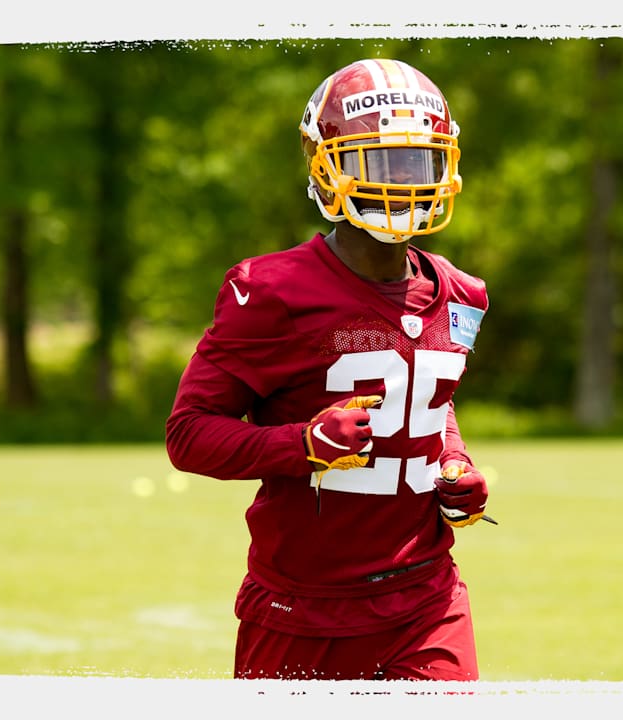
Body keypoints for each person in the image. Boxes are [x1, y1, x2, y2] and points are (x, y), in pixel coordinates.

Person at [165, 58, 492, 682]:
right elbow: (188, 434)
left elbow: (429, 393)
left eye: (415, 161)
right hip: (303, 606)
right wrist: (304, 444)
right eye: (379, 161)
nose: (401, 182)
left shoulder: (462, 293)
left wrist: (455, 462)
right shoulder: (271, 291)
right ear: (329, 165)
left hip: (426, 597)